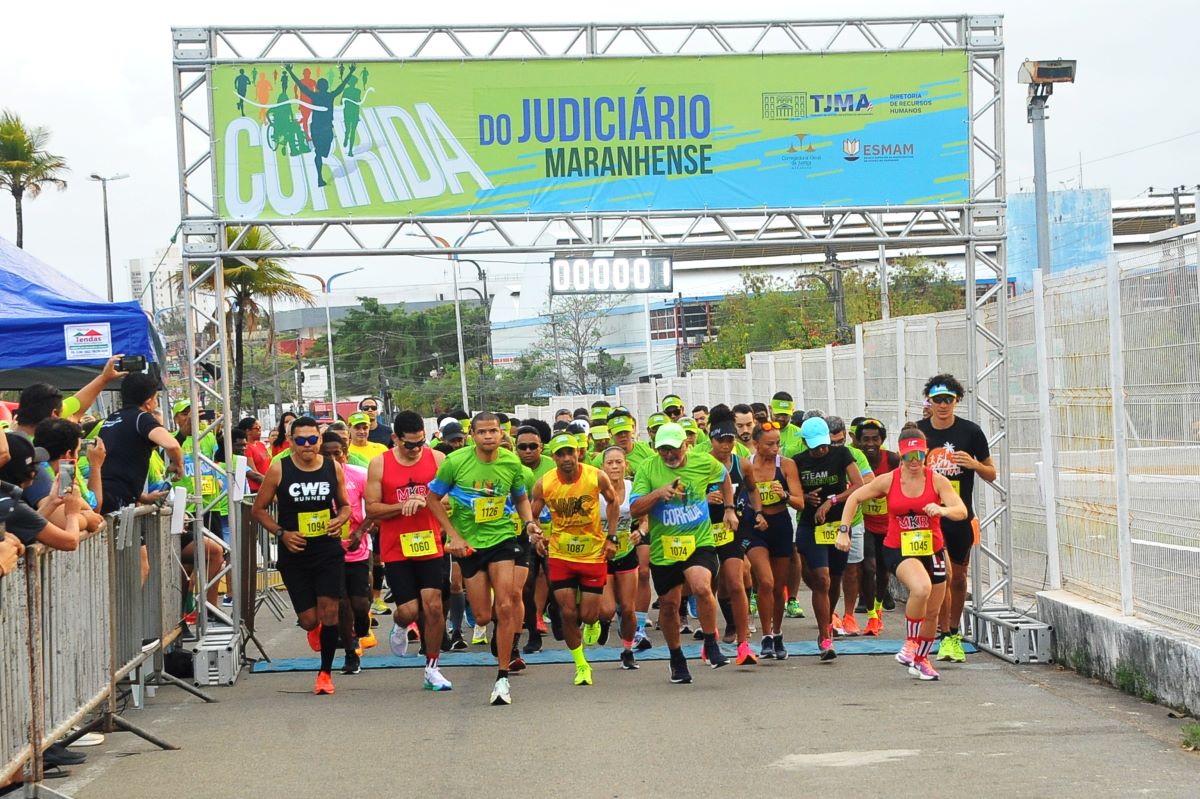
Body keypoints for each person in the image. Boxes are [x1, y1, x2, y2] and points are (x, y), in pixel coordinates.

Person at [838, 426, 966, 680]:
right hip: (899, 547)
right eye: (908, 456)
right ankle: (910, 644)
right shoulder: (890, 479)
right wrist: (844, 530)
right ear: (901, 455)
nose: (914, 462)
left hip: (932, 549)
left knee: (932, 610)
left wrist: (943, 510)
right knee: (921, 588)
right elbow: (855, 498)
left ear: (926, 453)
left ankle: (922, 660)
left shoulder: (936, 480)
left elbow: (960, 510)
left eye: (919, 455)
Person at [425, 412, 535, 706]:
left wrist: (529, 523)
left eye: (493, 431)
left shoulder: (511, 463)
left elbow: (521, 497)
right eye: (482, 432)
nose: (488, 436)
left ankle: (502, 676)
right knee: (484, 616)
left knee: (506, 603)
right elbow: (432, 498)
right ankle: (496, 631)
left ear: (501, 434)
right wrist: (453, 536)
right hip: (470, 546)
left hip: (502, 539)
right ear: (472, 435)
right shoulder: (455, 462)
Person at [630, 423, 739, 683]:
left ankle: (711, 643)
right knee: (669, 604)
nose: (669, 454)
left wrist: (729, 508)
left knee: (701, 587)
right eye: (663, 449)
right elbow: (635, 508)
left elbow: (724, 476)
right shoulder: (648, 468)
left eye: (674, 448)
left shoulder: (703, 462)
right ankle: (676, 657)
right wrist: (658, 494)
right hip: (664, 547)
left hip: (698, 540)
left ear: (686, 445)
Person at [251, 416, 352, 695]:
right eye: (301, 440)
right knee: (309, 619)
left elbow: (345, 505)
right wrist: (282, 533)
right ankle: (314, 629)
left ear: (319, 440)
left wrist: (340, 519)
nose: (307, 445)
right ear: (291, 442)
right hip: (294, 551)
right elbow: (258, 509)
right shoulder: (279, 469)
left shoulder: (332, 467)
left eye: (312, 439)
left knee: (329, 611)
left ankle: (325, 674)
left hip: (327, 549)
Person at [364, 410, 454, 691]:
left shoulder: (437, 459)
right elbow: (372, 508)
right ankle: (400, 624)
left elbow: (450, 498)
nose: (416, 449)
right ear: (395, 438)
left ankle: (432, 668)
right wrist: (402, 505)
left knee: (433, 606)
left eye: (420, 443)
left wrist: (427, 500)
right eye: (409, 444)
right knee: (409, 610)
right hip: (396, 547)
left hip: (430, 543)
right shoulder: (380, 463)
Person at [528, 433, 621, 686]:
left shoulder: (595, 476)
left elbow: (613, 502)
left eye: (571, 452)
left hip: (592, 553)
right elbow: (532, 514)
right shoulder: (544, 483)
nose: (567, 458)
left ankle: (592, 622)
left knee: (589, 615)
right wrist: (537, 535)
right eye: (561, 454)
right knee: (568, 613)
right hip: (561, 554)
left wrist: (612, 537)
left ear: (579, 452)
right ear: (553, 457)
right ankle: (581, 665)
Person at [918, 374, 996, 664]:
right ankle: (944, 634)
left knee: (959, 577)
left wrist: (973, 464)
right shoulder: (918, 432)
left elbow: (991, 473)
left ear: (957, 400)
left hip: (960, 516)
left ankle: (952, 631)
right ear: (929, 401)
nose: (942, 405)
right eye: (937, 400)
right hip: (929, 517)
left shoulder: (971, 432)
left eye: (948, 400)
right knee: (939, 576)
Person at [793, 417, 864, 661]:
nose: (821, 450)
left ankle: (828, 619)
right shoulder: (798, 461)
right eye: (816, 447)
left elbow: (858, 485)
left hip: (838, 525)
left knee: (834, 580)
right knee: (821, 579)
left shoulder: (841, 454)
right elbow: (792, 492)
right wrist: (804, 497)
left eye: (824, 445)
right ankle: (824, 636)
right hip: (811, 526)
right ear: (805, 443)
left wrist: (831, 501)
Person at [706, 414, 765, 665]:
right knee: (708, 585)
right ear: (711, 440)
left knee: (736, 581)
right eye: (720, 440)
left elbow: (752, 489)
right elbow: (684, 495)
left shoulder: (742, 465)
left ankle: (743, 644)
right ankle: (711, 637)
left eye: (729, 440)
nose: (725, 445)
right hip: (704, 530)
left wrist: (759, 512)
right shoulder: (701, 464)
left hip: (732, 527)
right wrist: (704, 499)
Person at [744, 420, 804, 660]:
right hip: (755, 526)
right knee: (766, 582)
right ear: (756, 444)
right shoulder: (745, 464)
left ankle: (777, 633)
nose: (775, 448)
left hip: (780, 524)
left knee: (779, 587)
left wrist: (785, 495)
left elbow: (800, 502)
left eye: (778, 443)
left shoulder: (786, 465)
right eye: (769, 444)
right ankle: (766, 635)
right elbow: (737, 494)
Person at [318, 433, 374, 676]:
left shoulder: (359, 475)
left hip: (356, 549)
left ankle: (362, 623)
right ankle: (350, 653)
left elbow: (374, 508)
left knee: (359, 604)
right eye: (327, 454)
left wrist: (361, 532)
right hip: (328, 552)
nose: (333, 458)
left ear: (345, 453)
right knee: (341, 604)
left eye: (337, 453)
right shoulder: (314, 479)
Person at [595, 445, 646, 669]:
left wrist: (640, 532)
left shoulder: (633, 488)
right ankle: (604, 622)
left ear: (626, 464)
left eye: (619, 462)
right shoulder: (594, 491)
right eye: (610, 463)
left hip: (626, 553)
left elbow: (645, 519)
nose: (615, 467)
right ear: (602, 467)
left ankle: (627, 650)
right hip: (601, 556)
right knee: (607, 609)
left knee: (627, 608)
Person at [826, 416, 873, 637]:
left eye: (840, 441)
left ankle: (849, 615)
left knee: (852, 569)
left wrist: (847, 490)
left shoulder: (855, 455)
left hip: (854, 520)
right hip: (825, 523)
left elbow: (869, 480)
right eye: (832, 442)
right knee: (825, 571)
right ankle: (829, 614)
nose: (837, 446)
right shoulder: (817, 454)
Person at [853, 418, 898, 635]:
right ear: (858, 441)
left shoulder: (892, 459)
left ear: (882, 440)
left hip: (888, 524)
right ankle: (871, 614)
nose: (870, 444)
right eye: (865, 439)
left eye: (875, 439)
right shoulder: (854, 459)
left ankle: (878, 608)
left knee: (883, 570)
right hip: (865, 522)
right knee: (868, 567)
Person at [514, 425, 554, 654]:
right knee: (526, 585)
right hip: (522, 533)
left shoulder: (552, 466)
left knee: (552, 579)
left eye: (532, 446)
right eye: (522, 447)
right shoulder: (511, 467)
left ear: (541, 447)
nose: (528, 451)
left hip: (553, 533)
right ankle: (533, 631)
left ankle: (553, 611)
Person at [238, 417, 271, 491]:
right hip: (256, 488)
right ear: (248, 431)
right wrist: (270, 483)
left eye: (260, 428)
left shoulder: (261, 445)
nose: (260, 431)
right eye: (257, 428)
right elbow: (254, 472)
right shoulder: (246, 448)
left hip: (267, 485)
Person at [771, 392, 807, 458]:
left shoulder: (801, 434)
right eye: (777, 414)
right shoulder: (761, 432)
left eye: (785, 415)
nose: (781, 418)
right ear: (770, 409)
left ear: (792, 411)